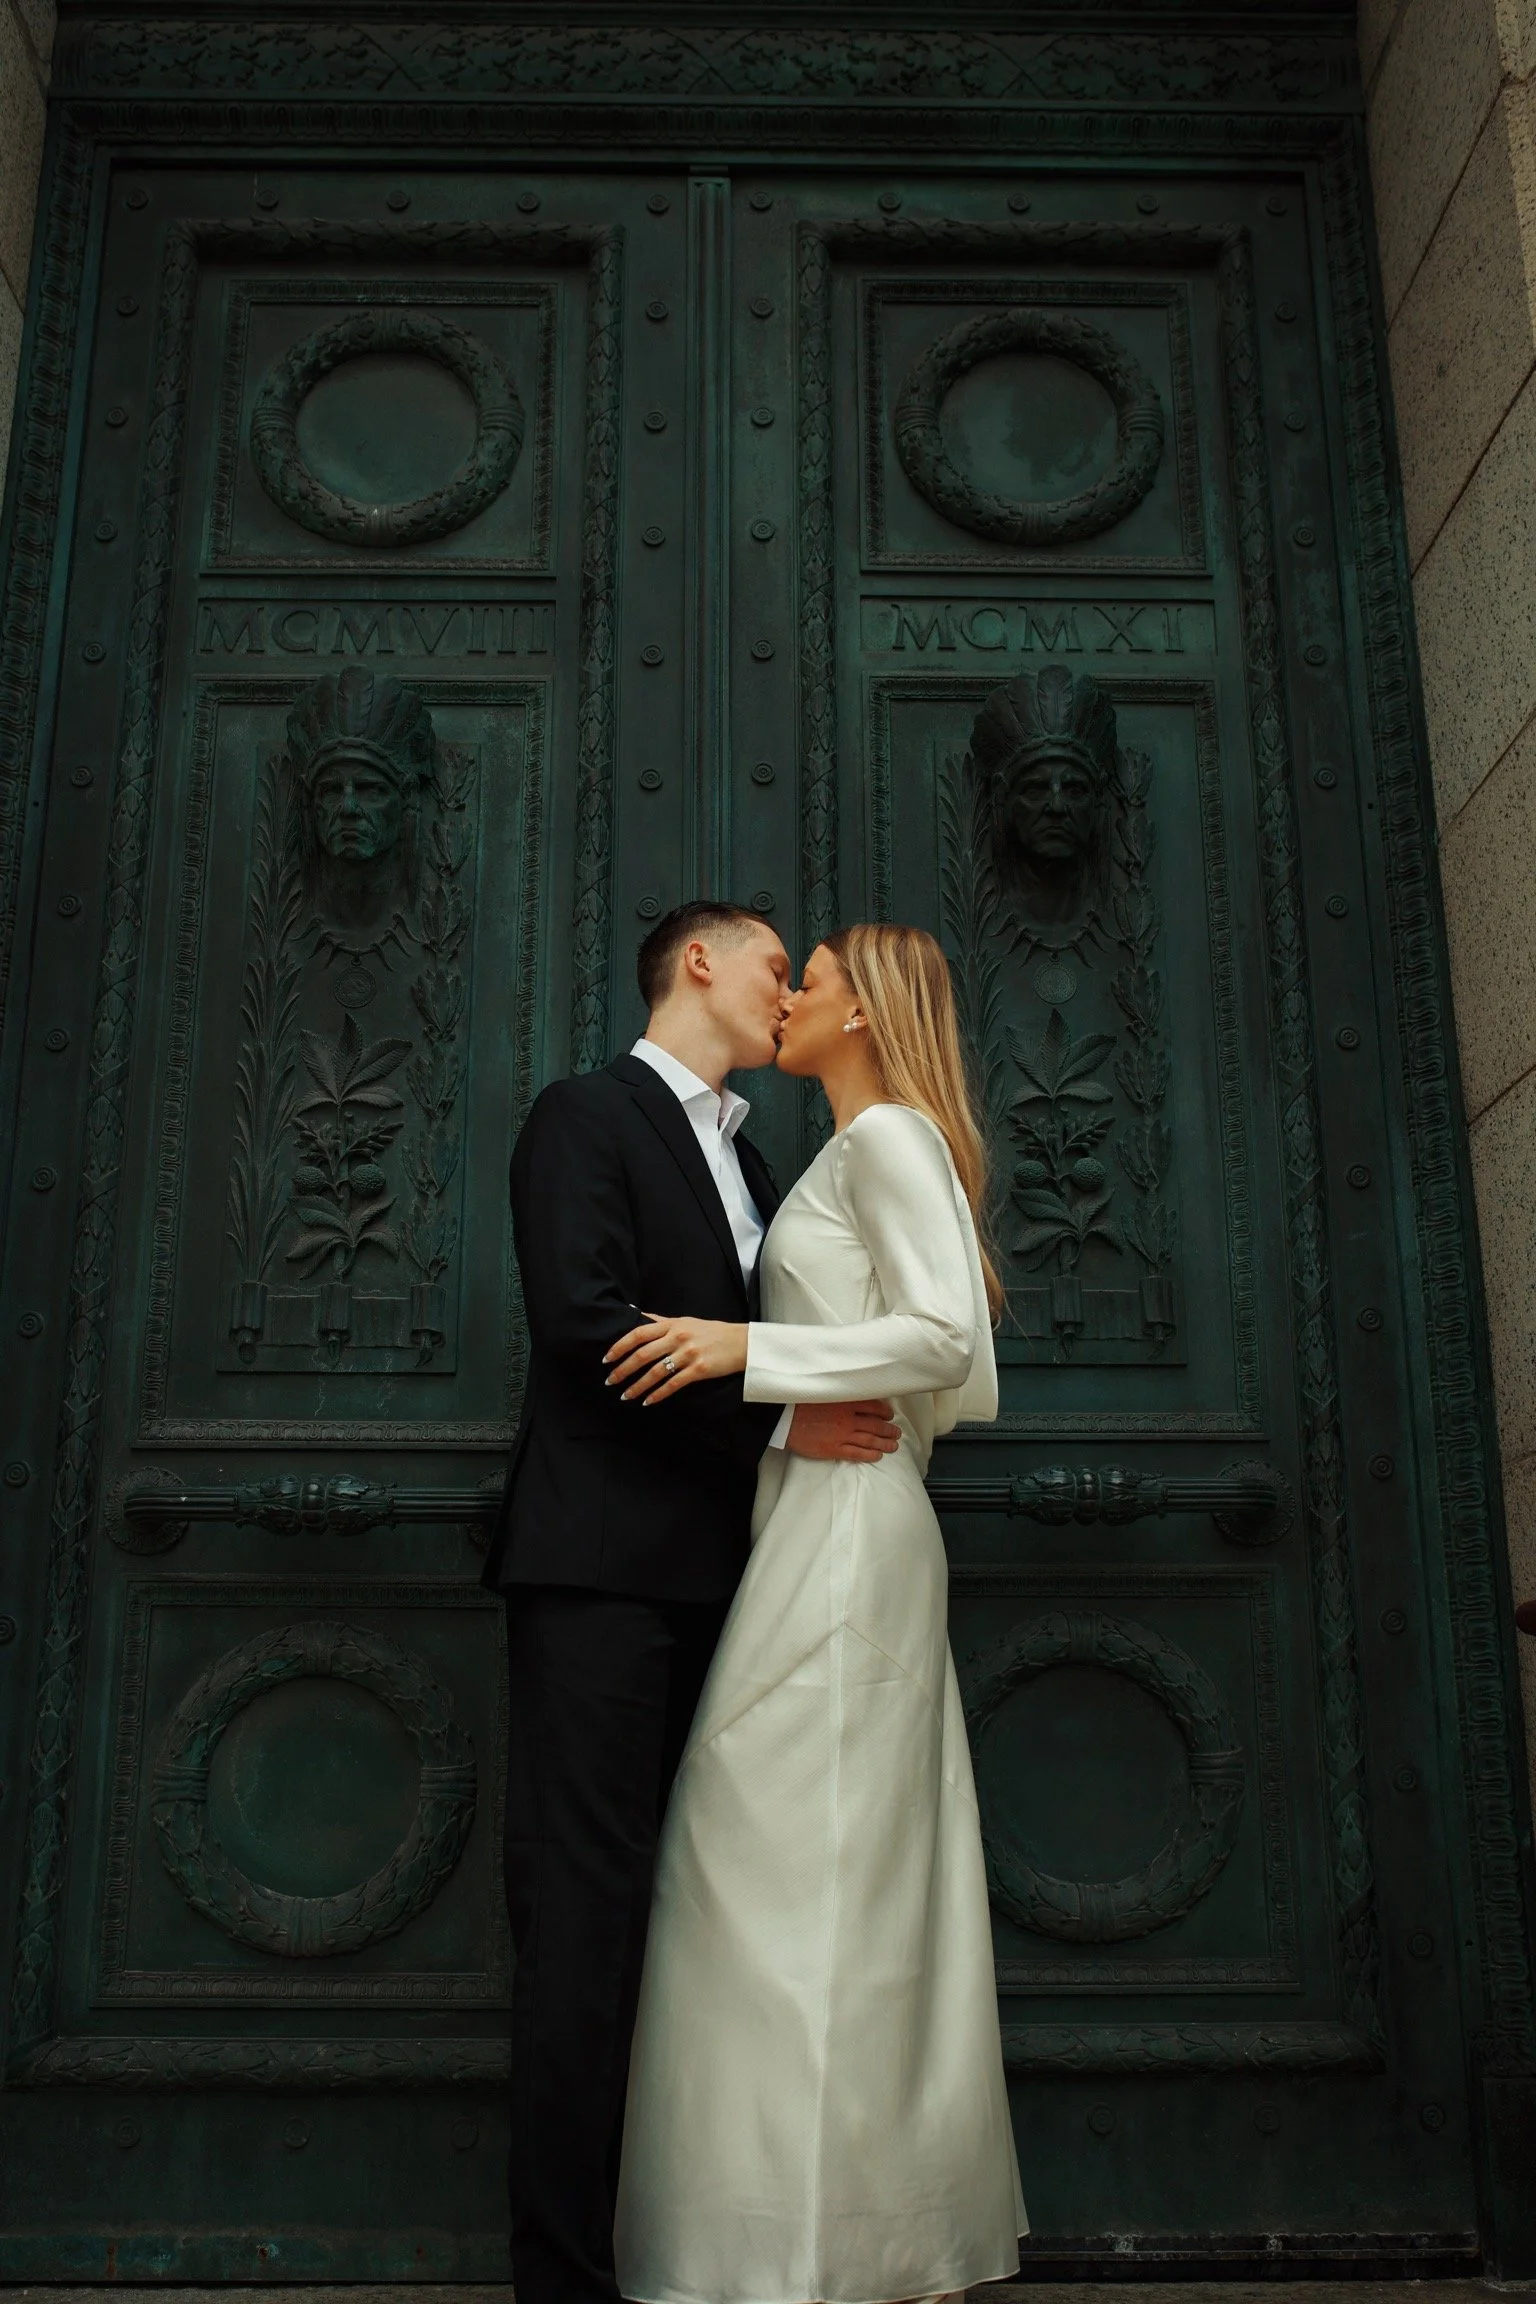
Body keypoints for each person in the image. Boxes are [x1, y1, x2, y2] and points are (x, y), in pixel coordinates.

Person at [482, 901, 903, 2304]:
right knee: (586, 1925)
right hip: (602, 1580)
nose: (790, 990)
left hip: (739, 1591)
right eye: (779, 962)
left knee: (710, 1931)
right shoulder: (583, 1116)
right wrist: (784, 1423)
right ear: (701, 963)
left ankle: (695, 2245)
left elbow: (727, 1344)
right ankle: (562, 2276)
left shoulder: (760, 1156)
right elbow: (592, 1329)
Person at [609, 922, 1027, 2304]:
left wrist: (746, 1352)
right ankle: (790, 2246)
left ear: (868, 1012)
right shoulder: (838, 1155)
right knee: (779, 1875)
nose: (791, 996)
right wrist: (792, 1412)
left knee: (816, 1881)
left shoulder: (893, 1137)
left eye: (817, 979)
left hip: (853, 1543)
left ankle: (818, 2262)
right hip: (811, 1521)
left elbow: (945, 1349)